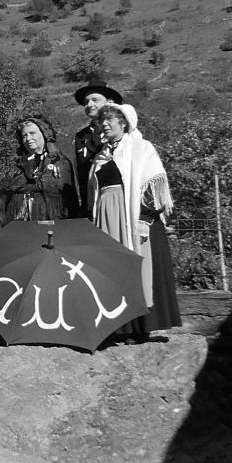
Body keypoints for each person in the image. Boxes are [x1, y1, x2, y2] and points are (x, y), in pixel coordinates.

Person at [90, 103, 181, 336]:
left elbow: (153, 183)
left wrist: (144, 219)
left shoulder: (141, 148)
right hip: (107, 219)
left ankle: (142, 327)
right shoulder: (101, 155)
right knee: (113, 270)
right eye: (103, 120)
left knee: (139, 269)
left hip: (133, 219)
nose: (105, 124)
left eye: (110, 119)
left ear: (124, 122)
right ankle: (120, 328)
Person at [2, 116, 79, 222]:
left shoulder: (59, 162)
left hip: (52, 220)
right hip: (20, 222)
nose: (28, 139)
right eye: (24, 135)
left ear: (44, 134)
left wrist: (30, 187)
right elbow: (8, 189)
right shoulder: (15, 164)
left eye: (32, 133)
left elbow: (65, 194)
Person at [73, 80, 123, 218]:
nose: (89, 105)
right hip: (91, 206)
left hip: (118, 204)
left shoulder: (123, 132)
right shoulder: (81, 137)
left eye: (95, 100)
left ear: (109, 102)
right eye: (86, 101)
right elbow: (81, 175)